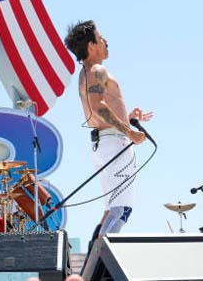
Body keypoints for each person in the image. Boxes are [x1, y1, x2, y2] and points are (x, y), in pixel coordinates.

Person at [64, 20, 153, 239]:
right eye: (101, 37)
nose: (106, 41)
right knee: (121, 210)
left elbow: (98, 109)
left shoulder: (86, 72)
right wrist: (129, 131)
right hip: (115, 144)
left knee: (110, 210)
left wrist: (127, 119)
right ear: (92, 46)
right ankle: (103, 268)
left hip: (103, 143)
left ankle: (92, 266)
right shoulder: (97, 69)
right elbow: (98, 106)